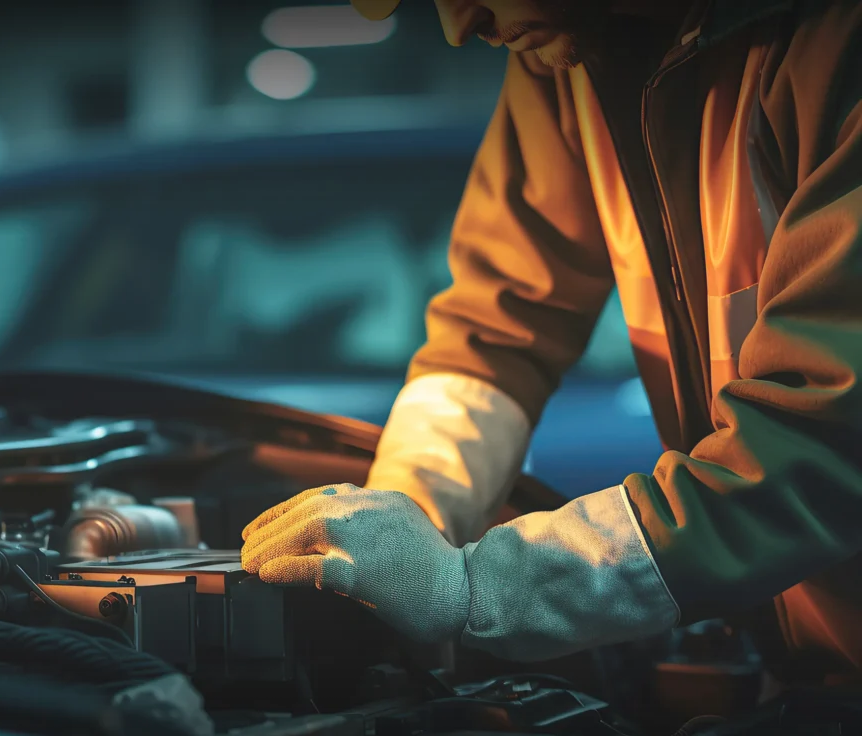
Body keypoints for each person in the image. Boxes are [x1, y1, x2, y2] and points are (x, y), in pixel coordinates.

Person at [241, 0, 862, 683]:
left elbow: (825, 437)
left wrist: (480, 590)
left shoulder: (838, 42)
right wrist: (410, 523)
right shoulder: (570, 48)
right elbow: (493, 334)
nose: (457, 26)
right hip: (811, 665)